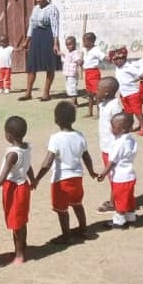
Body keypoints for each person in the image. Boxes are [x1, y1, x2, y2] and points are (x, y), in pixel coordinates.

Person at [34, 101, 97, 244]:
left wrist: (37, 178)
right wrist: (92, 172)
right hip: (77, 178)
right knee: (77, 204)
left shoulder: (55, 138)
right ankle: (83, 229)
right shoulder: (80, 135)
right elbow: (86, 156)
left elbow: (47, 162)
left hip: (61, 180)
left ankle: (66, 235)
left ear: (56, 120)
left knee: (62, 210)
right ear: (73, 119)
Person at [0, 116, 36, 265]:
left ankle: (19, 255)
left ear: (8, 136)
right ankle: (21, 248)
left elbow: (2, 177)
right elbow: (29, 166)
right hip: (23, 187)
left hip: (14, 189)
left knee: (16, 223)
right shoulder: (26, 148)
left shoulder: (12, 154)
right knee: (21, 221)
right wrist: (33, 180)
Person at [19, 0, 61, 101]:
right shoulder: (35, 8)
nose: (38, 0)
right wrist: (27, 41)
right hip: (36, 38)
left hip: (48, 37)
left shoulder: (52, 9)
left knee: (49, 65)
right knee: (32, 66)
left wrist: (55, 43)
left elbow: (55, 26)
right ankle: (28, 93)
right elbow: (31, 25)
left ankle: (46, 93)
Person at [96, 113, 138, 229]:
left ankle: (118, 221)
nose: (111, 129)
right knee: (129, 197)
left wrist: (103, 174)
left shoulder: (119, 144)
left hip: (120, 177)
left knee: (119, 198)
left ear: (122, 129)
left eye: (113, 127)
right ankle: (131, 216)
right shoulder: (131, 140)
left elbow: (112, 162)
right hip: (130, 174)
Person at [95, 76, 123, 213]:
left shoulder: (115, 106)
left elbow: (120, 124)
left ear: (106, 92)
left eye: (98, 89)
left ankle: (114, 202)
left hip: (113, 148)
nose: (96, 91)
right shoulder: (104, 103)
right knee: (111, 176)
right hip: (105, 146)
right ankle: (115, 199)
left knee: (114, 176)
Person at [109, 47, 143, 135]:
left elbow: (139, 73)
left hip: (132, 93)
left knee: (137, 112)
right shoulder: (118, 68)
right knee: (128, 112)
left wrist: (138, 78)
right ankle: (130, 126)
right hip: (124, 93)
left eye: (120, 59)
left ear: (125, 58)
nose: (118, 61)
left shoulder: (129, 66)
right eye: (115, 59)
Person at [81, 32, 105, 116]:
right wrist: (81, 62)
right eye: (83, 41)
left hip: (94, 73)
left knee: (97, 93)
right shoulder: (84, 50)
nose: (83, 43)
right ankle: (90, 112)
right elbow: (83, 60)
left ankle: (99, 112)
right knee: (89, 93)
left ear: (91, 42)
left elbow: (103, 57)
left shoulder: (96, 50)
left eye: (85, 41)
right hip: (87, 73)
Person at [60, 35, 83, 107]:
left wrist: (80, 61)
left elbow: (78, 60)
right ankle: (75, 102)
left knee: (72, 88)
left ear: (74, 44)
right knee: (69, 87)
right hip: (68, 73)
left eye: (70, 44)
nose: (68, 46)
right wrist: (62, 54)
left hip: (72, 74)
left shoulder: (75, 52)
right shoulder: (68, 53)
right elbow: (66, 59)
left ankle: (72, 103)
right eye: (67, 45)